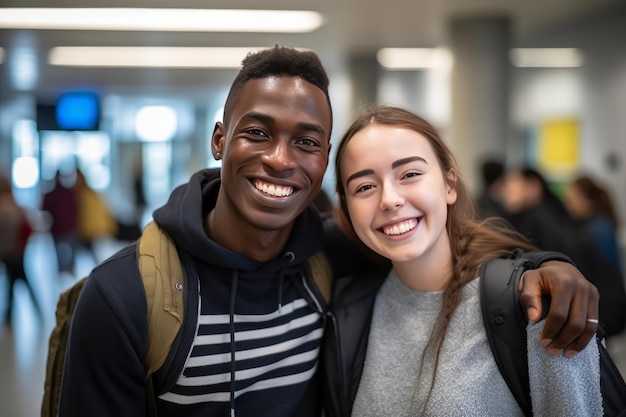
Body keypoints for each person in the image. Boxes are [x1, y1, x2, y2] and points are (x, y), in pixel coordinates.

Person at [58, 46, 599, 417]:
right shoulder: (125, 296)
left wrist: (548, 265)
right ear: (220, 139)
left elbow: (442, 249)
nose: (279, 159)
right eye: (257, 132)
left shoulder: (328, 261)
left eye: (308, 142)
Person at [328, 105, 602, 416]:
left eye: (410, 174)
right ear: (346, 207)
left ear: (449, 185)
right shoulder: (350, 308)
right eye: (364, 187)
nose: (389, 199)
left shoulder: (534, 302)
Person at [0, 175, 43, 327]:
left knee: (19, 280)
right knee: (17, 281)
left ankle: (10, 316)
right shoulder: (15, 205)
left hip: (11, 252)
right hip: (16, 251)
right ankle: (11, 315)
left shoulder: (6, 208)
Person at [564, 174, 623, 275]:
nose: (568, 207)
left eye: (571, 201)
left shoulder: (599, 228)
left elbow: (606, 268)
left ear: (586, 200)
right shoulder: (592, 224)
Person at [42, 169, 79, 279]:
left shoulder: (63, 193)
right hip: (64, 226)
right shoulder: (66, 193)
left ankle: (66, 268)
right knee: (67, 248)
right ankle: (66, 268)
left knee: (65, 248)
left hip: (62, 227)